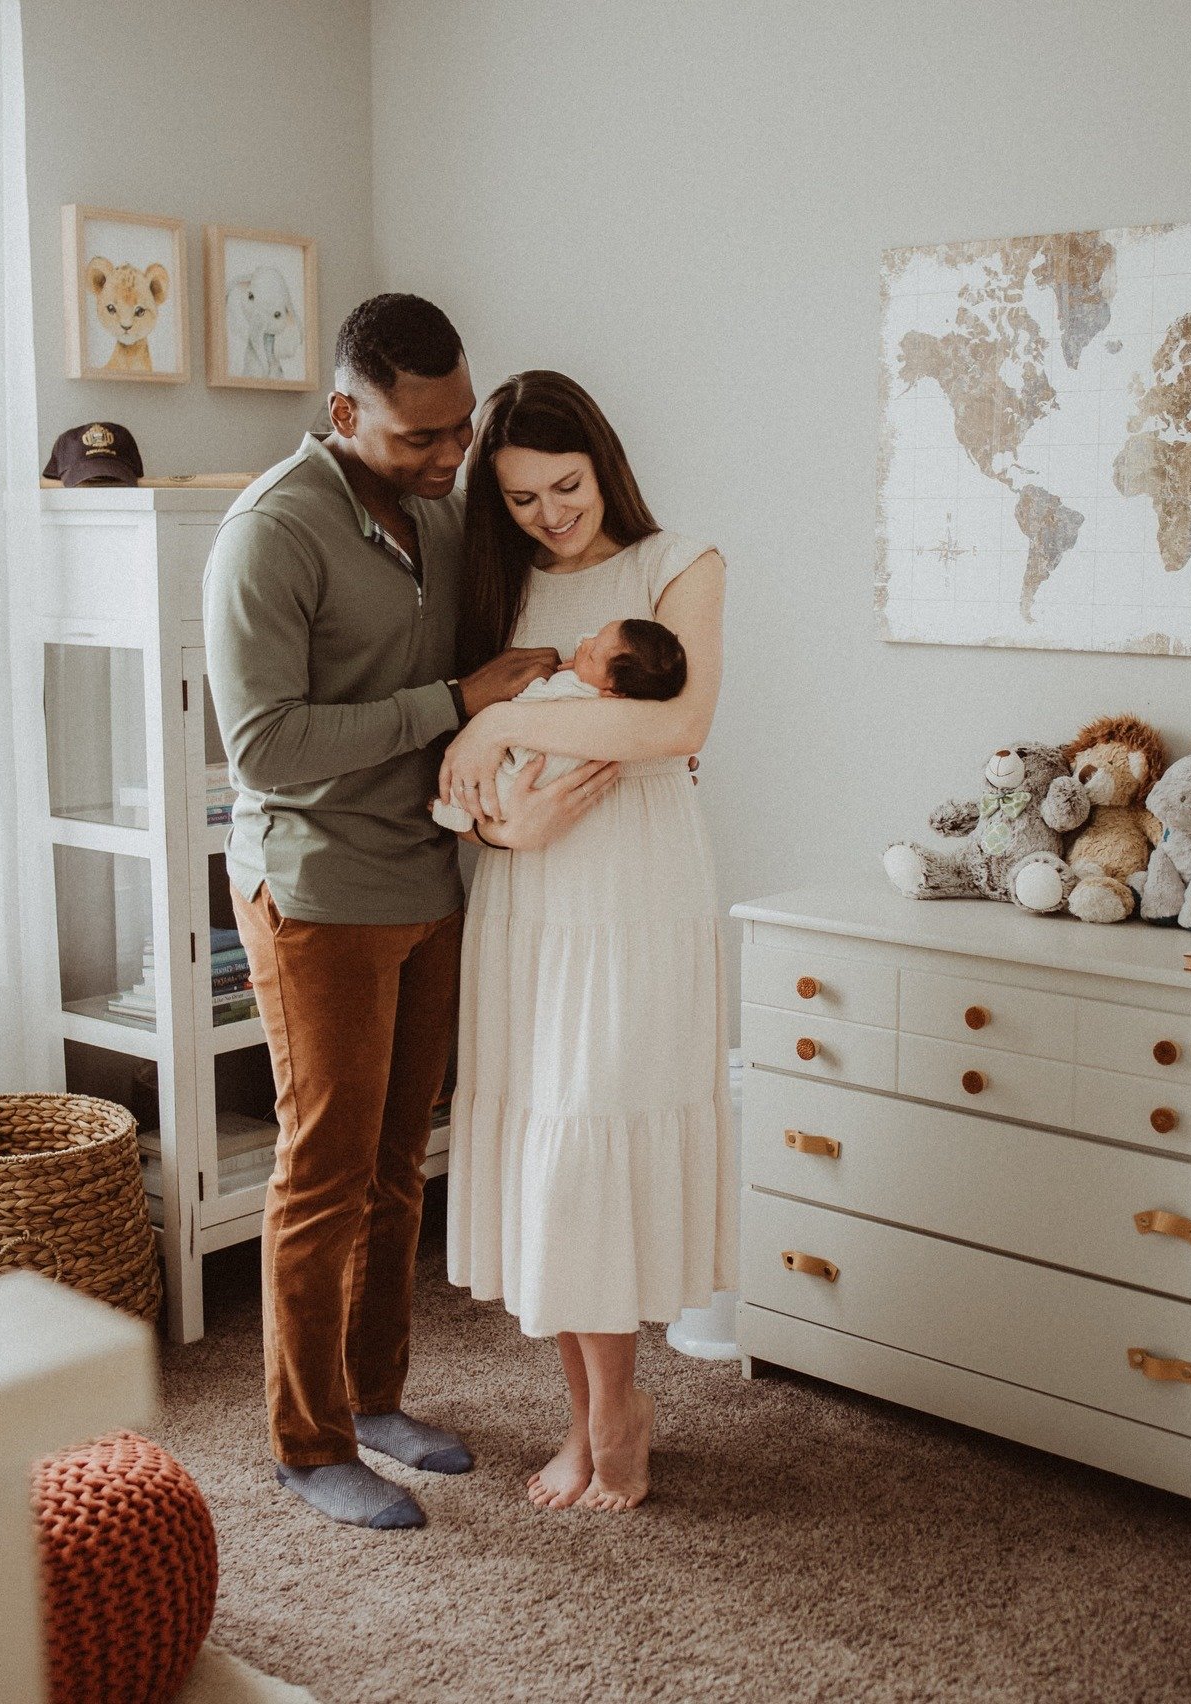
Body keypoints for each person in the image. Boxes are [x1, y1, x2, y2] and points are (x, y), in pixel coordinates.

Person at [202, 298, 618, 1531]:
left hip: (429, 878)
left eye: (459, 427)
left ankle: (375, 1396)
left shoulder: (441, 510)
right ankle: (305, 1439)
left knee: (399, 1162)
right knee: (321, 1169)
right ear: (343, 413)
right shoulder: (269, 536)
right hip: (318, 887)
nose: (452, 460)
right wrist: (446, 699)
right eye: (419, 437)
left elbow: (508, 658)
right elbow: (266, 748)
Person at [441, 370, 736, 1513]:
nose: (550, 515)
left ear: (600, 465)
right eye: (519, 499)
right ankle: (586, 1410)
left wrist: (513, 710)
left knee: (597, 1128)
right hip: (530, 893)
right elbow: (460, 771)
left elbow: (678, 722)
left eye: (563, 486)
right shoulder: (496, 583)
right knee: (546, 1146)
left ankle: (618, 1408)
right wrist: (500, 825)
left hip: (636, 889)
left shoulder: (679, 563)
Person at [430, 617, 686, 833]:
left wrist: (550, 679)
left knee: (496, 783)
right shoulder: (601, 688)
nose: (584, 642)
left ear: (613, 692)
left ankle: (454, 810)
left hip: (534, 768)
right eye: (595, 637)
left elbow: (531, 700)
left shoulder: (574, 690)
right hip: (547, 770)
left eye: (592, 654)